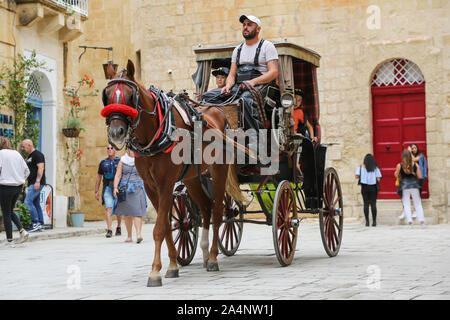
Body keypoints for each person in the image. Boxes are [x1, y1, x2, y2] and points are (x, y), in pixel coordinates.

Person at [202, 14, 279, 131]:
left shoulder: (267, 46)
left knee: (245, 100)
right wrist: (228, 86)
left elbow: (273, 72)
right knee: (208, 96)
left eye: (249, 25)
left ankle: (255, 138)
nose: (245, 27)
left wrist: (253, 82)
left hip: (260, 85)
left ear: (258, 29)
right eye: (244, 25)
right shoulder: (237, 50)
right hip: (239, 85)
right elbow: (232, 74)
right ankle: (214, 130)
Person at [0, 137, 30, 247]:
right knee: (10, 211)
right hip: (17, 187)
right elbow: (27, 170)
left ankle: (9, 240)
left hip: (5, 187)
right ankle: (22, 231)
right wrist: (22, 180)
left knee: (6, 213)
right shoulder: (16, 154)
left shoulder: (1, 154)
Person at [113, 148, 147, 243]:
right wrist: (115, 187)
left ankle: (138, 234)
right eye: (131, 149)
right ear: (127, 150)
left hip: (138, 187)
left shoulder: (140, 159)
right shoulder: (122, 160)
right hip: (125, 188)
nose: (133, 151)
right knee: (127, 214)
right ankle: (129, 236)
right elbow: (118, 175)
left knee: (137, 212)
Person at [95, 144, 122, 238]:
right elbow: (99, 177)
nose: (110, 150)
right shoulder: (103, 162)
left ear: (115, 150)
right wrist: (96, 191)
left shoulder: (120, 161)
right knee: (108, 207)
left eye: (112, 148)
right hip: (107, 187)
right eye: (108, 148)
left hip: (118, 188)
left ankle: (119, 226)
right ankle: (109, 229)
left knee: (118, 209)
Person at [394, 149, 425, 228]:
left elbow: (396, 175)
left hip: (404, 186)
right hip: (414, 186)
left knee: (406, 204)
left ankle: (410, 223)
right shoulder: (415, 165)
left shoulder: (400, 165)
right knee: (418, 204)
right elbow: (420, 176)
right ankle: (421, 222)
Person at [21, 139, 46, 232]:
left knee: (28, 202)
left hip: (36, 183)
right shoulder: (30, 156)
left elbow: (41, 168)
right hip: (32, 183)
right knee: (36, 203)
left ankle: (35, 223)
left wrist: (37, 181)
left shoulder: (38, 154)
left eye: (24, 146)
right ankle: (41, 224)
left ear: (29, 145)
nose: (23, 148)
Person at [355, 154, 382, 227]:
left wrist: (363, 175)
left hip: (364, 186)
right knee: (373, 204)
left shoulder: (360, 167)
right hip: (373, 187)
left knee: (366, 204)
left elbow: (356, 176)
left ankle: (367, 221)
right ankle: (374, 221)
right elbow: (379, 178)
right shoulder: (375, 168)